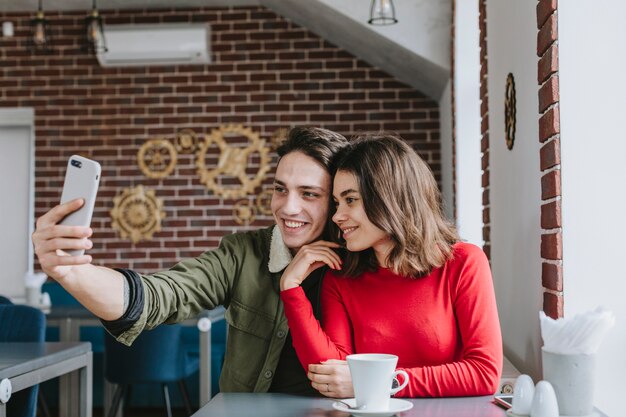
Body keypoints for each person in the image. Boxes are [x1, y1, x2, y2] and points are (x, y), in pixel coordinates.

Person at [31, 127, 350, 395]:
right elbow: (160, 295)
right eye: (280, 189)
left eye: (309, 194)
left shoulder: (362, 265)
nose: (288, 207)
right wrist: (71, 272)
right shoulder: (244, 253)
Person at [279, 134, 503, 398]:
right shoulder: (342, 278)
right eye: (337, 203)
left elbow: (483, 372)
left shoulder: (464, 263)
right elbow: (331, 376)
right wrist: (290, 288)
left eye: (351, 200)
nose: (338, 216)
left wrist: (379, 382)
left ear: (389, 197)